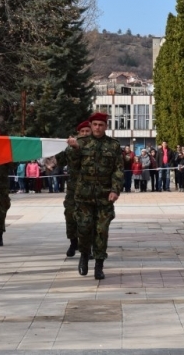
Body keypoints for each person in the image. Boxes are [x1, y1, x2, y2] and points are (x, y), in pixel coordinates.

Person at [66, 112, 122, 280]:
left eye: (101, 125)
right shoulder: (80, 143)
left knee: (101, 231)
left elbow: (118, 170)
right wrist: (74, 149)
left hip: (104, 196)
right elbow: (72, 167)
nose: (98, 127)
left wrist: (115, 189)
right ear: (90, 126)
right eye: (95, 124)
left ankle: (99, 265)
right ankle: (84, 255)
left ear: (106, 126)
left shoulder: (113, 145)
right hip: (83, 196)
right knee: (83, 229)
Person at [64, 120, 90, 257]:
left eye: (87, 131)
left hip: (91, 189)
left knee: (89, 219)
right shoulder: (72, 146)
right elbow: (72, 161)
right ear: (78, 133)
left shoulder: (96, 145)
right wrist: (75, 148)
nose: (85, 134)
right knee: (70, 215)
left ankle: (88, 247)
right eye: (82, 131)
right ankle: (73, 242)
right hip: (74, 189)